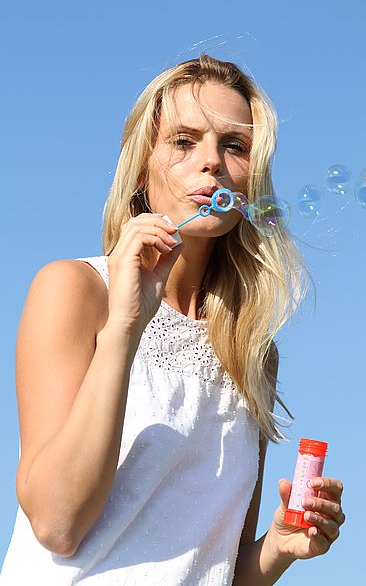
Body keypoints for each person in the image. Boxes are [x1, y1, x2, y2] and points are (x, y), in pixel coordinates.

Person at [0, 54, 345, 585]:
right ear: (143, 164)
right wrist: (125, 327)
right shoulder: (75, 290)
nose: (211, 162)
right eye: (184, 142)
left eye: (234, 146)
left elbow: (218, 571)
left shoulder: (250, 348)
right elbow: (56, 522)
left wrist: (277, 547)